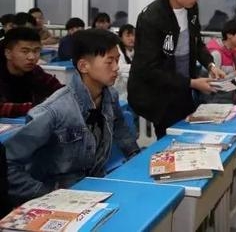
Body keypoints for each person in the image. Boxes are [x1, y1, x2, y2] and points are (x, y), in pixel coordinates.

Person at [4, 29, 139, 204]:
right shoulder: (54, 111)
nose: (116, 67)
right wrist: (45, 194)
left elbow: (119, 126)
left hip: (93, 187)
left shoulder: (109, 95)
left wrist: (135, 155)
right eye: (109, 61)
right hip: (59, 195)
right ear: (83, 66)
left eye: (117, 60)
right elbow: (8, 162)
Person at [127, 0, 225, 137]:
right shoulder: (151, 18)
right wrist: (192, 83)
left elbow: (196, 41)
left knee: (188, 133)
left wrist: (211, 65)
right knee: (170, 138)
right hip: (159, 92)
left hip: (183, 85)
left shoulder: (191, 8)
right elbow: (150, 69)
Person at [0, 27, 63, 118]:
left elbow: (61, 91)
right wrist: (39, 106)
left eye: (36, 51)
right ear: (8, 53)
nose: (32, 57)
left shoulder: (36, 72)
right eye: (25, 51)